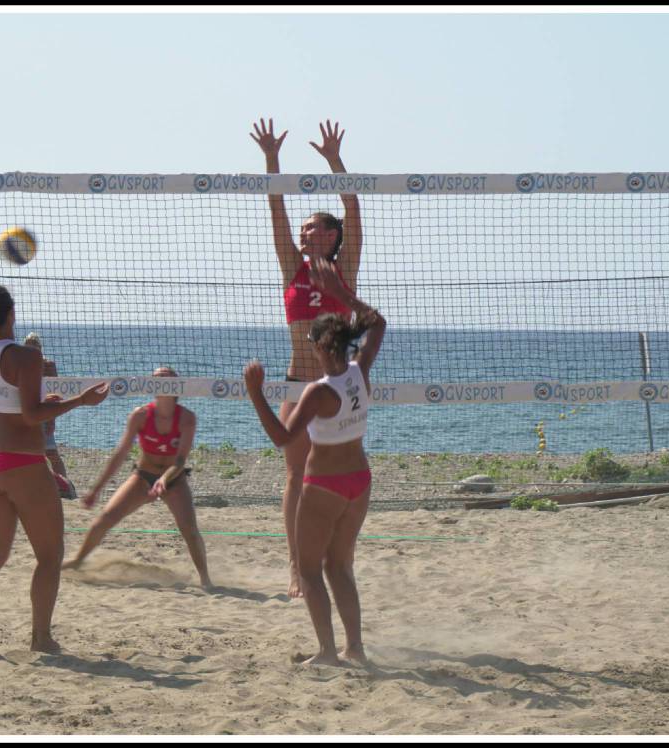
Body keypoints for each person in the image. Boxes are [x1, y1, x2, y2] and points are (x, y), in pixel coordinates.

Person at [0, 283, 109, 656]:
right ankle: (41, 638)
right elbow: (32, 416)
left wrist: (34, 403)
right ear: (12, 315)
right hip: (22, 462)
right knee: (49, 556)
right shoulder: (27, 357)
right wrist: (80, 401)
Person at [244, 262, 385, 666]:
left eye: (312, 342)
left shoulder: (318, 392)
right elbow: (377, 323)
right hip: (360, 480)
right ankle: (354, 647)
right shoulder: (360, 371)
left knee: (309, 569)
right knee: (339, 566)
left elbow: (282, 439)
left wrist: (255, 393)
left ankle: (327, 652)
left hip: (324, 485)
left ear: (323, 347)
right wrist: (342, 294)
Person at [251, 117, 363, 598]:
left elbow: (353, 207)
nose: (304, 234)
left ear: (332, 238)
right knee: (296, 474)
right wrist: (272, 161)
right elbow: (275, 209)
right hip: (297, 383)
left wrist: (335, 162)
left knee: (338, 476)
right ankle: (297, 567)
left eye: (314, 229)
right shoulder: (290, 267)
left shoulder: (345, 268)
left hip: (338, 390)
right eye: (303, 230)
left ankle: (337, 562)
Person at [62, 367, 212, 589]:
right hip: (143, 477)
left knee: (189, 530)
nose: (159, 380)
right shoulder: (140, 415)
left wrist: (164, 479)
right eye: (156, 378)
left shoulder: (187, 418)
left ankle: (205, 579)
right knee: (104, 520)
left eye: (165, 377)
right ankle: (78, 560)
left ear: (176, 385)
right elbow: (120, 454)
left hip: (174, 479)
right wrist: (96, 489)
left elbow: (180, 461)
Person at [23, 332, 76, 499]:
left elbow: (56, 391)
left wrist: (52, 418)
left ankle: (64, 485)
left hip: (44, 412)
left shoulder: (48, 365)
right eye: (29, 346)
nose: (32, 349)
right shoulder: (21, 365)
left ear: (40, 348)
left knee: (51, 453)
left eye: (35, 346)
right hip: (27, 411)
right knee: (26, 453)